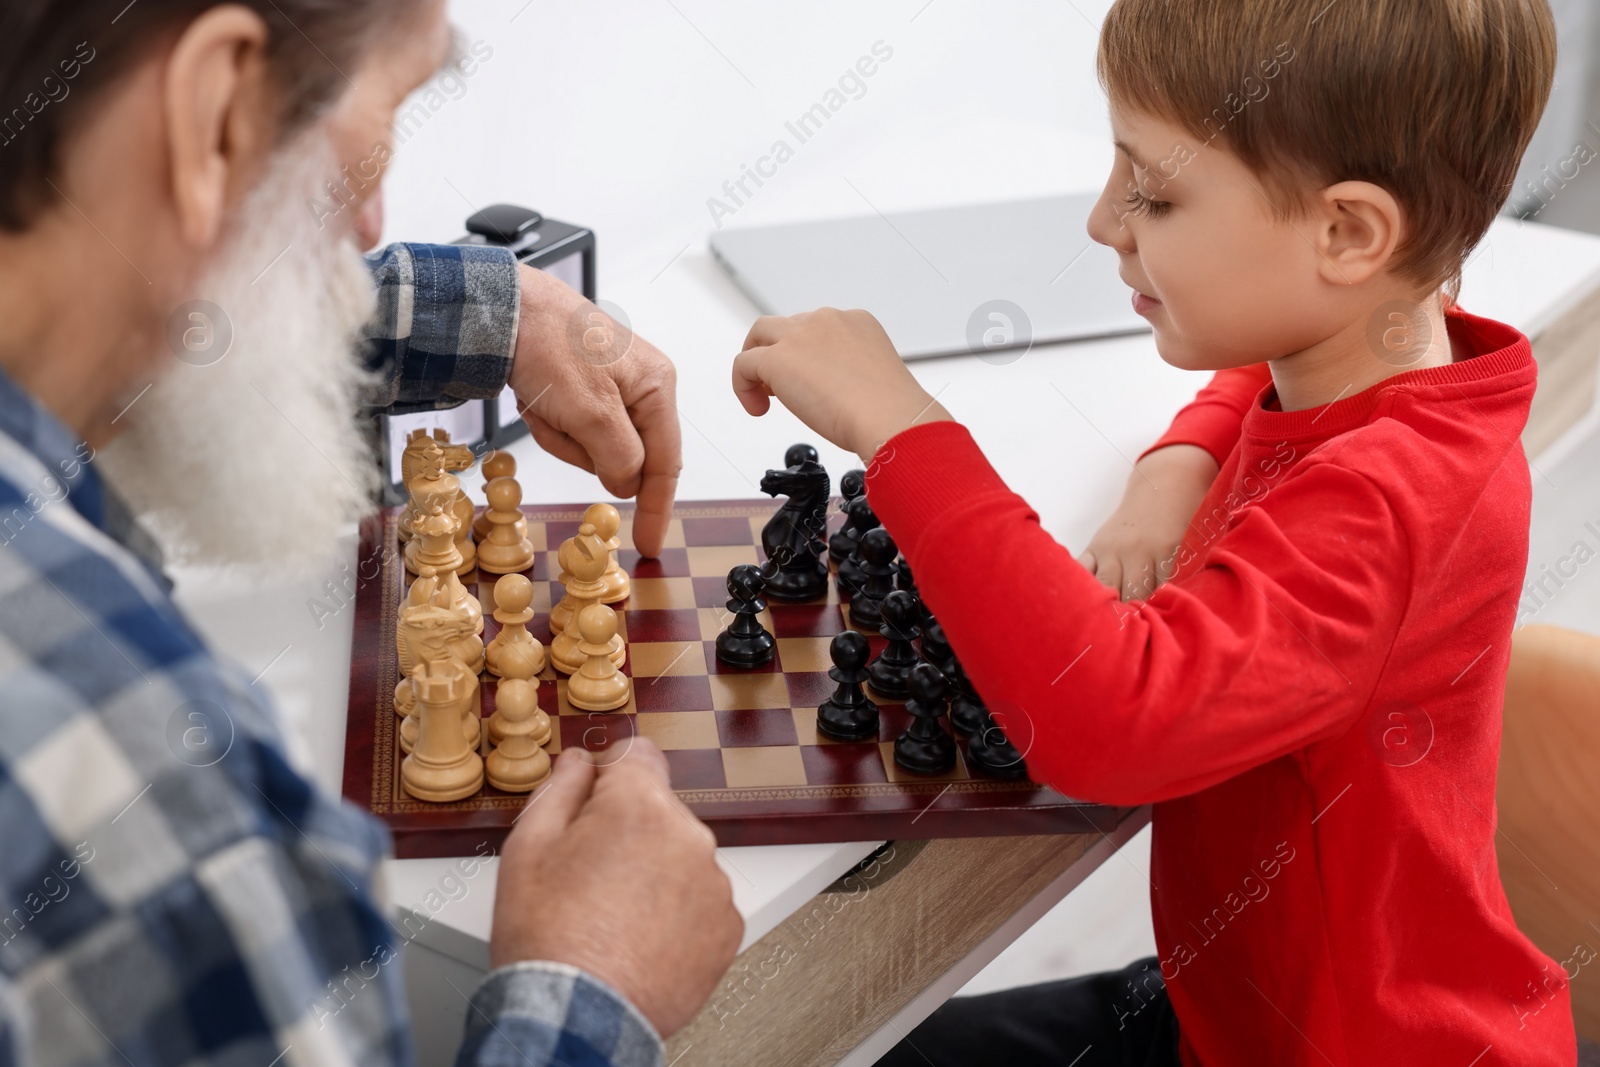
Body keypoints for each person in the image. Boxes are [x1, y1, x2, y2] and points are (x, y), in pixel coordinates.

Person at [731, 0, 1586, 1064]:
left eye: (1154, 192)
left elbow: (1113, 722)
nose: (1104, 221)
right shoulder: (1393, 341)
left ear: (1348, 232)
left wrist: (903, 426)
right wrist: (1178, 467)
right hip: (1234, 1000)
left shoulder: (1388, 499)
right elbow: (1259, 367)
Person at [0, 1, 740, 1065]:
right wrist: (589, 989)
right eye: (385, 111)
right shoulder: (132, 773)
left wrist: (499, 313)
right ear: (214, 113)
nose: (365, 229)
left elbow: (204, 284)